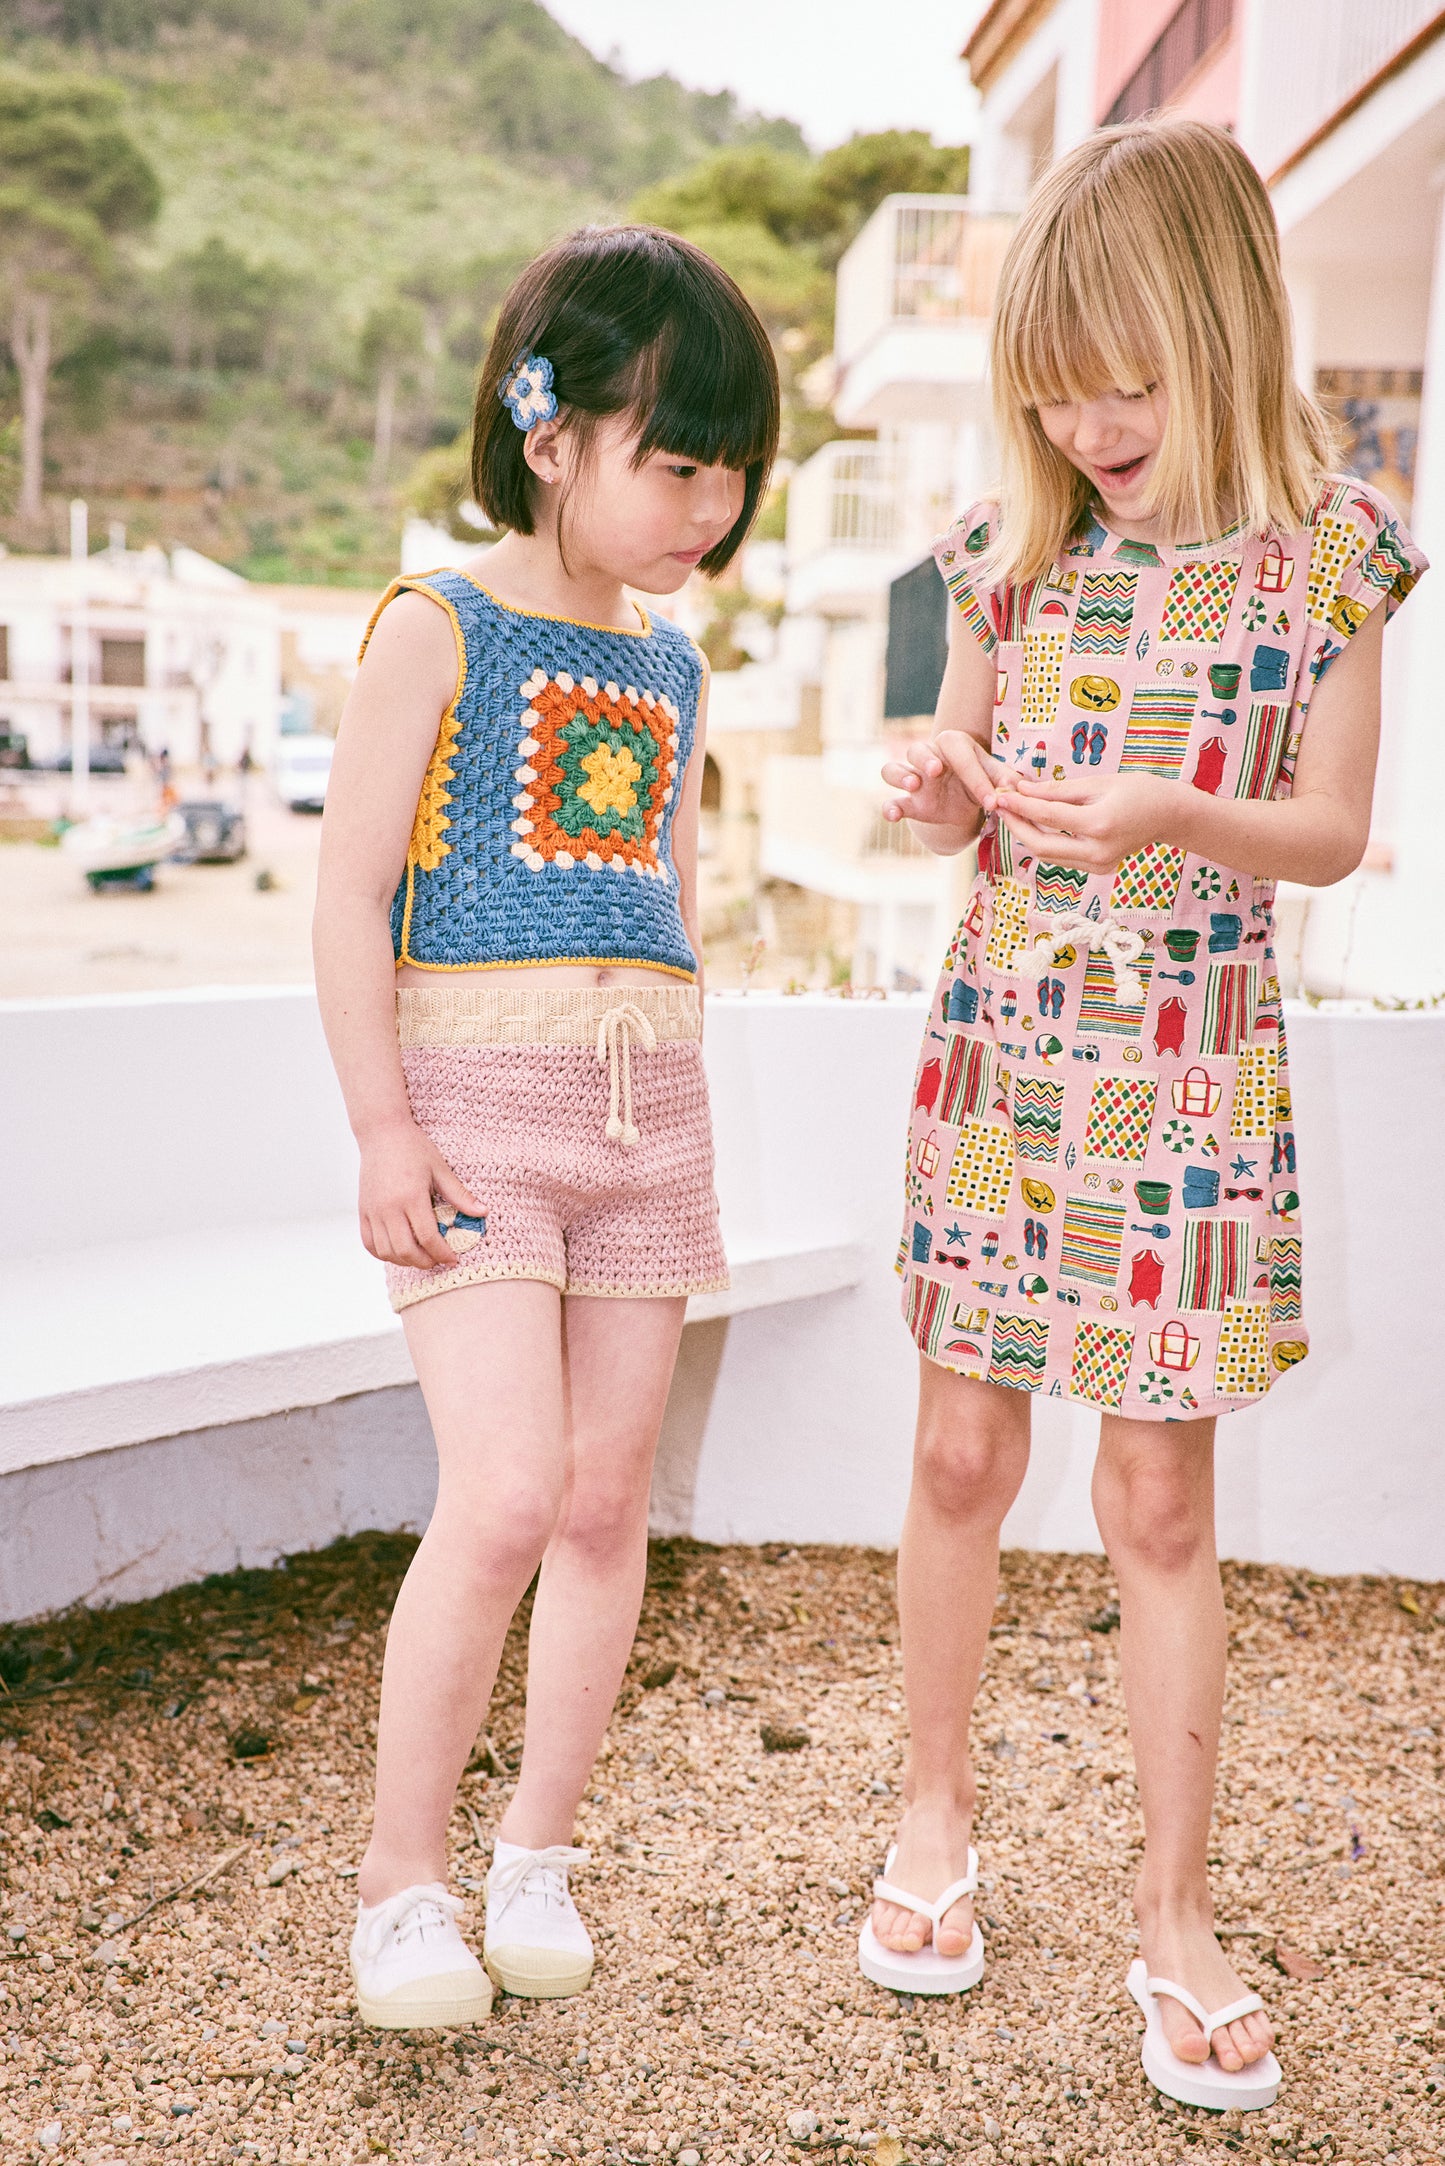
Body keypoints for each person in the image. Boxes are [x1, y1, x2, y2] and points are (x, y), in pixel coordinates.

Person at [869, 120, 1424, 2114]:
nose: (1087, 427)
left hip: (1188, 1066)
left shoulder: (1334, 554)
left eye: (1127, 381)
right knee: (958, 1451)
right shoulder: (1006, 554)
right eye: (1054, 386)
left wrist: (1174, 812)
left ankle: (1171, 1917)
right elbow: (957, 789)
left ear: (1221, 332)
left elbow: (1334, 831)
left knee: (1158, 1502)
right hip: (1008, 1049)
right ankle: (931, 1813)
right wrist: (934, 787)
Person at [312, 225, 778, 2030]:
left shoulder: (674, 669)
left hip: (646, 1117)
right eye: (678, 465)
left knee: (600, 1499)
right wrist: (382, 1127)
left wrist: (672, 1068)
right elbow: (352, 897)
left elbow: (665, 899)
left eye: (734, 476)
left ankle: (536, 1855)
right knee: (505, 1490)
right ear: (550, 430)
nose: (708, 510)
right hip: (472, 1119)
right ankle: (398, 1878)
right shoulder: (434, 627)